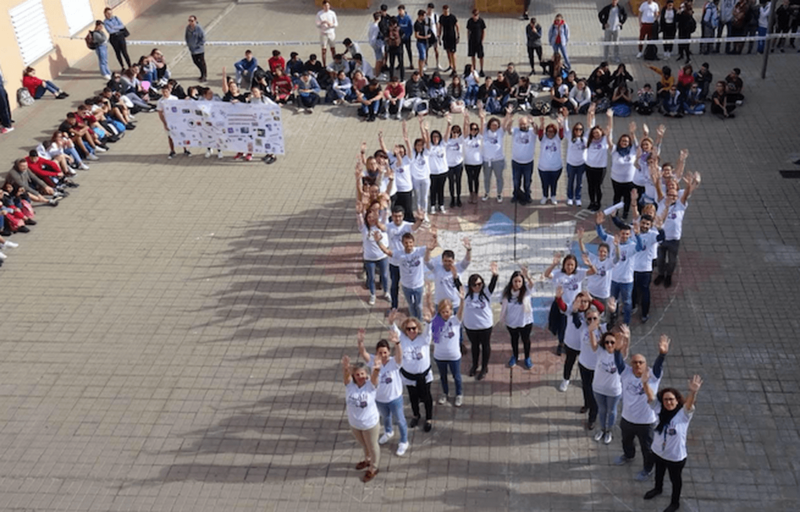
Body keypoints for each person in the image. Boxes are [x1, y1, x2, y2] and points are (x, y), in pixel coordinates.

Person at [644, 375, 705, 512]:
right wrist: (644, 382)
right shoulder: (659, 411)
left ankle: (675, 502)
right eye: (665, 400)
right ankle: (657, 489)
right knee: (658, 473)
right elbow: (650, 396)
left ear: (677, 401)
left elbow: (689, 404)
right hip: (658, 452)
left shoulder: (683, 415)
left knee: (675, 480)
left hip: (675, 457)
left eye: (671, 399)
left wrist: (693, 392)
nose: (668, 402)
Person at [614, 334, 670, 481]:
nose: (637, 365)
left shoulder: (653, 376)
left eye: (641, 362)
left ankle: (647, 469)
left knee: (647, 449)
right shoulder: (626, 373)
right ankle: (628, 456)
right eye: (634, 362)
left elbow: (658, 366)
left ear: (646, 365)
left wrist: (662, 354)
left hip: (646, 423)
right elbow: (619, 362)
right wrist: (617, 350)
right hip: (627, 419)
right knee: (626, 441)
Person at [357, 328, 409, 457]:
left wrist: (397, 343)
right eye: (380, 353)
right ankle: (388, 432)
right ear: (377, 353)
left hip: (395, 398)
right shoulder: (374, 361)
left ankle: (404, 441)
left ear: (388, 352)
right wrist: (360, 342)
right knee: (386, 417)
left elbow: (400, 356)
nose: (383, 355)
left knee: (400, 420)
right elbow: (363, 353)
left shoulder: (393, 362)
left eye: (385, 352)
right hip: (380, 399)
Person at [654, 171, 701, 287]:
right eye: (670, 195)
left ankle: (668, 276)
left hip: (674, 239)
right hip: (661, 237)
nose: (673, 197)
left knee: (672, 260)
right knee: (660, 260)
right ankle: (660, 274)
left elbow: (686, 193)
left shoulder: (680, 204)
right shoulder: (661, 202)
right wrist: (656, 178)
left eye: (675, 196)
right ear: (667, 195)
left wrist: (690, 184)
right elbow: (657, 187)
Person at [595, 211, 644, 325]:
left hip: (626, 280)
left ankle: (626, 323)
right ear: (619, 233)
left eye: (627, 234)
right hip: (613, 279)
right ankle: (613, 320)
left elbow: (640, 247)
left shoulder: (632, 246)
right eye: (623, 233)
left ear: (630, 235)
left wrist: (637, 235)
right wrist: (598, 225)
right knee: (612, 302)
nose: (624, 236)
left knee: (627, 302)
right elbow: (602, 235)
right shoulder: (613, 241)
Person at [340, 354, 381, 483]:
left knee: (372, 446)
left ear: (366, 374)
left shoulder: (370, 385)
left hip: (370, 424)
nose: (360, 377)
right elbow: (346, 378)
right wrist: (346, 368)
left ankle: (373, 468)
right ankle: (367, 460)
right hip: (355, 424)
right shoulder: (350, 386)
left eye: (362, 374)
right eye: (357, 374)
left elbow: (374, 377)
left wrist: (377, 369)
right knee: (364, 444)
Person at [391, 315, 435, 432]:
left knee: (427, 397)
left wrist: (428, 321)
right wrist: (391, 322)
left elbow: (429, 330)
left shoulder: (423, 338)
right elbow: (394, 331)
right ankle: (416, 415)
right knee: (413, 397)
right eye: (409, 329)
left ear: (418, 328)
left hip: (424, 376)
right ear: (405, 330)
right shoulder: (403, 339)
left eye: (414, 328)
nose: (411, 331)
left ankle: (429, 418)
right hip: (409, 377)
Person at [589, 326, 628, 444]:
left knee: (611, 411)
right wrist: (591, 331)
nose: (609, 345)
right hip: (598, 388)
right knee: (602, 410)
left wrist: (627, 337)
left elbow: (626, 349)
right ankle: (602, 429)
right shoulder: (600, 351)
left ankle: (609, 431)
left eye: (612, 342)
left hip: (614, 391)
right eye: (607, 342)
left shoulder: (619, 356)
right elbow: (593, 344)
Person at [462, 263, 499, 380]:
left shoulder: (486, 293)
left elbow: (493, 282)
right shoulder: (466, 292)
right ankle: (474, 365)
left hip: (485, 326)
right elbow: (456, 282)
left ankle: (484, 367)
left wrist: (494, 274)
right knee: (474, 346)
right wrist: (454, 272)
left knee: (485, 346)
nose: (477, 286)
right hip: (471, 326)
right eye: (474, 284)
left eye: (479, 284)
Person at [432, 293, 466, 406]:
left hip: (454, 356)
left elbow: (461, 311)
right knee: (443, 376)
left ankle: (459, 394)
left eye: (448, 311)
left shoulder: (455, 320)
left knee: (456, 376)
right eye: (443, 312)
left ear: (451, 310)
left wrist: (462, 300)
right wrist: (427, 296)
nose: (446, 314)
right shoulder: (436, 322)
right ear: (439, 312)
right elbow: (429, 312)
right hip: (440, 356)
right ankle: (445, 393)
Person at [501, 267, 536, 369]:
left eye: (520, 281)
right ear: (511, 282)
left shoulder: (526, 291)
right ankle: (515, 356)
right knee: (514, 340)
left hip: (526, 322)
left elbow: (532, 284)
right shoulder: (506, 292)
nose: (517, 283)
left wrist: (527, 275)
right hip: (511, 322)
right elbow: (501, 302)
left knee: (526, 340)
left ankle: (527, 357)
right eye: (515, 281)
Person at [585, 106, 613, 212]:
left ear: (601, 132)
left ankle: (598, 203)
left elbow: (610, 128)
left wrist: (610, 117)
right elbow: (589, 124)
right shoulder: (590, 139)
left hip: (600, 168)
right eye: (594, 133)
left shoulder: (605, 140)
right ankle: (592, 202)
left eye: (598, 133)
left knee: (597, 186)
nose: (596, 134)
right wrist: (590, 112)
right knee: (590, 186)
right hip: (589, 166)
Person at [504, 111, 535, 205]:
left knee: (527, 182)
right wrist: (510, 121)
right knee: (516, 181)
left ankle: (527, 196)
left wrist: (533, 122)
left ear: (528, 124)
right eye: (521, 124)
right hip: (516, 162)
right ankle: (516, 195)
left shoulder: (531, 132)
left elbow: (538, 130)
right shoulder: (516, 130)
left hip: (528, 162)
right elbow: (508, 130)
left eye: (524, 124)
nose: (523, 125)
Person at [609, 120, 639, 219]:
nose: (624, 143)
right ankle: (615, 212)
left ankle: (625, 213)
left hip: (629, 180)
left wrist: (632, 133)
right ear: (619, 142)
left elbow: (637, 143)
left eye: (626, 141)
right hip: (616, 179)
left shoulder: (633, 150)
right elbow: (609, 141)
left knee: (627, 198)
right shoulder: (614, 150)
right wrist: (610, 125)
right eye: (622, 141)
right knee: (617, 197)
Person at [480, 106, 508, 203]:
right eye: (492, 125)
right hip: (487, 160)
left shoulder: (500, 132)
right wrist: (481, 113)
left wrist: (508, 114)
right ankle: (487, 192)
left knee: (499, 177)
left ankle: (499, 194)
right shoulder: (485, 132)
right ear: (489, 125)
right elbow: (482, 120)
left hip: (498, 160)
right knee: (487, 178)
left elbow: (505, 123)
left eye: (496, 125)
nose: (494, 127)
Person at [156, 85, 191, 160]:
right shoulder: (160, 101)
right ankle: (172, 151)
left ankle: (185, 149)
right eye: (163, 92)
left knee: (182, 135)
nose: (165, 93)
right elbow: (160, 113)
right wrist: (164, 123)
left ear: (169, 91)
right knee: (170, 136)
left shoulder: (174, 99)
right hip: (168, 121)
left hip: (177, 120)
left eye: (166, 91)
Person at [537, 114, 565, 205]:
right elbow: (540, 132)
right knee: (544, 184)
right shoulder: (543, 138)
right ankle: (545, 196)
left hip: (556, 167)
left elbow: (561, 132)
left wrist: (560, 123)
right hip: (543, 167)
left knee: (554, 183)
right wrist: (542, 123)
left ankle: (553, 196)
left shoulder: (557, 138)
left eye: (552, 131)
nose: (550, 133)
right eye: (548, 131)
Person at [563, 110, 586, 207]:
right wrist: (565, 117)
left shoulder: (584, 139)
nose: (578, 131)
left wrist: (591, 114)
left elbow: (591, 127)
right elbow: (565, 128)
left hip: (581, 164)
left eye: (580, 129)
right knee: (570, 181)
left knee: (579, 183)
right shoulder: (569, 136)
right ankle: (570, 197)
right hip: (571, 164)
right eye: (576, 129)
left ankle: (578, 198)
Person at [444, 114, 466, 205]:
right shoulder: (447, 141)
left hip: (458, 164)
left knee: (458, 181)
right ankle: (452, 198)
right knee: (451, 182)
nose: (455, 134)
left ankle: (458, 198)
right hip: (449, 165)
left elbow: (466, 129)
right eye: (454, 132)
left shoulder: (460, 140)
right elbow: (446, 134)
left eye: (457, 132)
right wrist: (449, 123)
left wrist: (466, 118)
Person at [316, 0, 338, 67]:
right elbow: (317, 24)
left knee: (333, 49)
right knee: (324, 50)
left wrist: (331, 24)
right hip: (323, 34)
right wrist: (322, 23)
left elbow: (336, 24)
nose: (327, 7)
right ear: (323, 6)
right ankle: (324, 65)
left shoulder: (332, 13)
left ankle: (335, 62)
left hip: (331, 33)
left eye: (328, 5)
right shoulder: (319, 14)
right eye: (325, 6)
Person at [439, 5, 459, 76]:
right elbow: (440, 27)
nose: (446, 12)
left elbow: (457, 26)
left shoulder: (452, 17)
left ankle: (455, 69)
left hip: (452, 37)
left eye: (447, 11)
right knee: (447, 52)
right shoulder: (441, 17)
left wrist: (458, 35)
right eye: (444, 11)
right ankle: (450, 65)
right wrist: (439, 36)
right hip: (445, 37)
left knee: (453, 53)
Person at [185, 16, 207, 82]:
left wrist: (199, 44)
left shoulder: (198, 28)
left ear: (195, 21)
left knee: (202, 62)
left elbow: (203, 37)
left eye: (192, 21)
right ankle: (202, 72)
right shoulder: (188, 28)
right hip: (192, 48)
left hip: (199, 49)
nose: (190, 22)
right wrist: (188, 44)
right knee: (195, 61)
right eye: (189, 20)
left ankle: (204, 75)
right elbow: (186, 36)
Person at [466, 10, 487, 77]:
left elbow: (483, 31)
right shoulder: (470, 21)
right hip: (472, 41)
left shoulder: (481, 21)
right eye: (474, 15)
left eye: (476, 15)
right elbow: (468, 31)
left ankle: (481, 69)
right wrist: (468, 39)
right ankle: (474, 69)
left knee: (481, 56)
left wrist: (482, 40)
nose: (475, 16)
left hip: (479, 41)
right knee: (473, 56)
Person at [424, 3, 441, 70]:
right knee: (426, 50)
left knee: (436, 49)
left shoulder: (435, 16)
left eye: (431, 9)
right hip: (427, 34)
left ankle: (437, 63)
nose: (430, 10)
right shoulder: (424, 16)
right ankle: (425, 63)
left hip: (434, 34)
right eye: (429, 9)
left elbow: (437, 25)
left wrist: (438, 34)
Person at [368, 12, 385, 78]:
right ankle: (377, 74)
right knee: (379, 59)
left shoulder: (372, 25)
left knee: (380, 58)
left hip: (374, 43)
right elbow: (374, 37)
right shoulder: (376, 27)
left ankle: (378, 73)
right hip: (377, 44)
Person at [397, 5, 414, 70]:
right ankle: (400, 63)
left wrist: (408, 35)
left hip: (407, 37)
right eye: (399, 11)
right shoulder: (397, 18)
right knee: (400, 51)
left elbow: (410, 28)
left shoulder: (408, 18)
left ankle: (411, 63)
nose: (400, 12)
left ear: (404, 10)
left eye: (401, 10)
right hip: (400, 38)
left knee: (408, 50)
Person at [414, 10, 430, 75]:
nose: (425, 17)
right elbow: (416, 35)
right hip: (420, 42)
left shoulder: (423, 22)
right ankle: (420, 72)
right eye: (424, 15)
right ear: (420, 16)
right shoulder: (417, 24)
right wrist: (424, 37)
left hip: (425, 42)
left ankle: (422, 71)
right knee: (422, 57)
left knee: (424, 57)